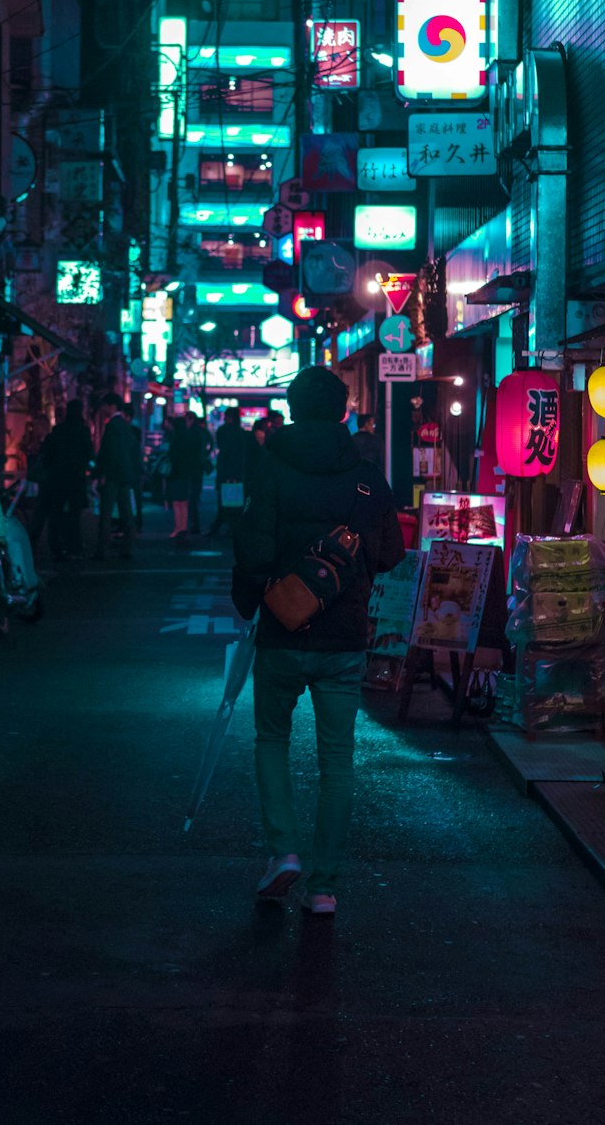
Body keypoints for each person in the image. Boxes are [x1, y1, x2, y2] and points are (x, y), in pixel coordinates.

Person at [232, 365, 405, 916]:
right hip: (343, 636)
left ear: (291, 406)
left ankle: (283, 852)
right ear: (342, 411)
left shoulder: (270, 468)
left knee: (271, 741)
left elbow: (253, 554)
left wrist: (250, 605)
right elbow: (389, 555)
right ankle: (325, 886)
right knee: (337, 758)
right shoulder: (366, 477)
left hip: (282, 633)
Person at [37, 401, 93, 560]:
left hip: (57, 478)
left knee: (57, 512)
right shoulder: (83, 431)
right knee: (74, 514)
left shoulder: (57, 431)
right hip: (76, 477)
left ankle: (55, 546)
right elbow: (89, 454)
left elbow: (47, 454)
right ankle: (73, 546)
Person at [94, 393, 140, 560]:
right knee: (126, 511)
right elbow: (132, 449)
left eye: (106, 405)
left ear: (112, 406)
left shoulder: (112, 426)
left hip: (113, 475)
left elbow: (108, 452)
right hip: (125, 474)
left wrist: (100, 473)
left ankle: (102, 549)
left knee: (106, 512)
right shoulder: (125, 426)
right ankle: (129, 546)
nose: (104, 408)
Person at [209, 406, 248, 536]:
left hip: (225, 470)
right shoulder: (241, 433)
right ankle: (232, 525)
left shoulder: (223, 431)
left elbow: (222, 448)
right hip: (235, 471)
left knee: (223, 499)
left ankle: (222, 523)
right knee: (234, 501)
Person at [165, 412, 202, 540]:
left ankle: (178, 527)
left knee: (177, 502)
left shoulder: (176, 440)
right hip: (186, 473)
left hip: (176, 473)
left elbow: (172, 456)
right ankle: (183, 527)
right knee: (184, 501)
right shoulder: (189, 438)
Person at [184, 409, 212, 534]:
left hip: (193, 467)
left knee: (191, 497)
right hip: (198, 466)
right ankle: (194, 525)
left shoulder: (191, 432)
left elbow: (192, 450)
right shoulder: (201, 431)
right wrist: (205, 454)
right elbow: (209, 443)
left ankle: (193, 525)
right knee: (194, 496)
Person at [122, 400, 144, 532]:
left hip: (130, 468)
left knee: (130, 496)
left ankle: (131, 523)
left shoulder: (127, 431)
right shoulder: (136, 431)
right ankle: (136, 522)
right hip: (135, 468)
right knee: (136, 497)